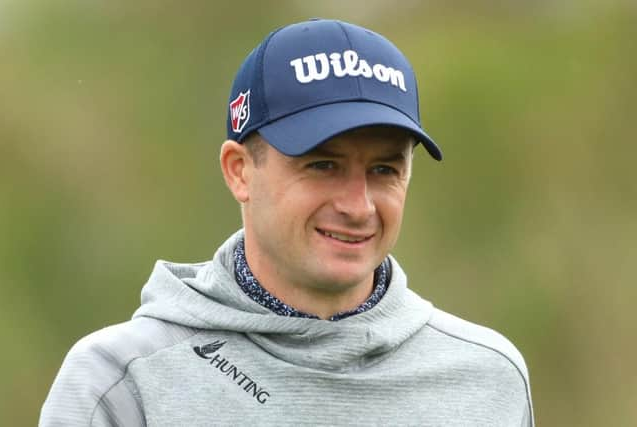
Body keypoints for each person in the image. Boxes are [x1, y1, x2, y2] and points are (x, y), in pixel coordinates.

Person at [40, 18, 534, 426]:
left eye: (384, 169)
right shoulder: (119, 382)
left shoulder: (487, 377)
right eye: (323, 165)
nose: (358, 205)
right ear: (240, 171)